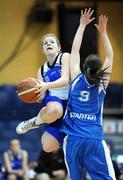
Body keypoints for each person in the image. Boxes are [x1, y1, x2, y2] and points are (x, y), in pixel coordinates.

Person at [61, 8, 116, 179]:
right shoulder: (101, 84)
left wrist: (82, 25)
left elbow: (75, 50)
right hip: (93, 139)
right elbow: (110, 56)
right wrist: (104, 33)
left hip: (73, 139)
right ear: (99, 70)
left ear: (84, 67)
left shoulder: (76, 77)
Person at [16, 34, 70, 152]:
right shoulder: (41, 70)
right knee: (47, 147)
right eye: (46, 43)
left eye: (52, 42)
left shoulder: (65, 57)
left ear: (58, 47)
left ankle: (35, 121)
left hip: (72, 101)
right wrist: (31, 94)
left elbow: (65, 80)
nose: (49, 44)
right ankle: (40, 120)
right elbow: (43, 95)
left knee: (59, 143)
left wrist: (46, 85)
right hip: (54, 99)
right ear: (43, 50)